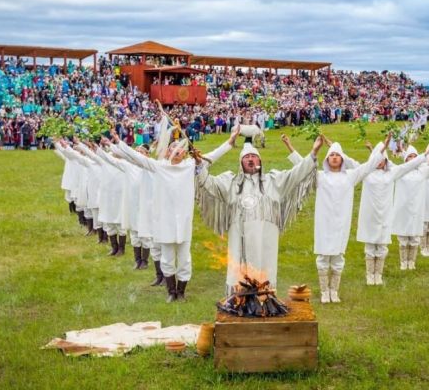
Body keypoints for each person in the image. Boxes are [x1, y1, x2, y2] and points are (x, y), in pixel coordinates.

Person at [112, 121, 236, 303]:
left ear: (185, 152)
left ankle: (182, 292)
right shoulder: (159, 166)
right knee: (168, 258)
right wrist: (118, 142)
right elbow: (137, 158)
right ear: (168, 152)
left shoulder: (190, 166)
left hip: (184, 221)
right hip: (165, 221)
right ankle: (171, 291)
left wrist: (229, 141)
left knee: (184, 259)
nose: (177, 152)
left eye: (181, 149)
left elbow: (212, 156)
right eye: (173, 149)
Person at [196, 131, 320, 297]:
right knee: (240, 269)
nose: (250, 160)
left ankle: (264, 298)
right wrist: (199, 164)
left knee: (264, 268)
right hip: (239, 236)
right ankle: (240, 299)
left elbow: (295, 174)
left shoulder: (273, 181)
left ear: (260, 160)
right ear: (241, 162)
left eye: (254, 157)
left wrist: (313, 153)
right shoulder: (231, 183)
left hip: (265, 235)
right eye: (246, 157)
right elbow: (208, 183)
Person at [309, 133, 391, 303]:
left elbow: (369, 166)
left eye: (337, 155)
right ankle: (324, 292)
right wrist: (314, 150)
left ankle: (334, 291)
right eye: (331, 155)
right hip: (324, 223)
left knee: (338, 256)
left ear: (342, 159)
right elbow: (302, 168)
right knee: (323, 256)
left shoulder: (351, 176)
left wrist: (383, 147)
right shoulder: (320, 176)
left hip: (341, 223)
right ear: (326, 159)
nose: (334, 157)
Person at [356, 139, 426, 285]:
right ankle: (370, 275)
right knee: (370, 244)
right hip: (369, 214)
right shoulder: (365, 174)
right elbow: (350, 162)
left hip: (385, 214)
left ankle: (378, 275)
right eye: (377, 159)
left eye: (382, 160)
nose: (379, 162)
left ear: (386, 161)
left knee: (381, 244)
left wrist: (427, 153)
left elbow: (408, 166)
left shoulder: (392, 173)